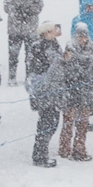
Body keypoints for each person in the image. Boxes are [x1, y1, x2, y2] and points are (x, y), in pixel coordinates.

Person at [27, 21, 64, 167]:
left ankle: (42, 152)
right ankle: (39, 155)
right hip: (45, 91)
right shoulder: (38, 47)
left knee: (53, 122)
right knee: (46, 123)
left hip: (55, 89)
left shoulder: (55, 44)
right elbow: (40, 70)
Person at [60, 24, 93, 161]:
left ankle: (79, 149)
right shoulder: (70, 47)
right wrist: (84, 72)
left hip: (86, 91)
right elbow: (70, 69)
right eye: (80, 36)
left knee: (83, 123)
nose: (83, 39)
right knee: (68, 122)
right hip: (71, 90)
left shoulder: (91, 48)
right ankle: (64, 149)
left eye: (85, 36)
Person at [2, 0, 43, 85]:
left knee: (30, 55)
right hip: (14, 28)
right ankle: (12, 78)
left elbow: (39, 5)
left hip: (30, 28)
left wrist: (29, 10)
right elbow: (6, 5)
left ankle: (29, 77)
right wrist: (16, 11)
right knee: (13, 54)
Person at [70, 0, 93, 64]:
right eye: (88, 6)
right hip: (82, 53)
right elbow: (74, 37)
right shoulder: (77, 20)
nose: (91, 8)